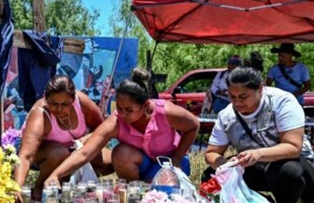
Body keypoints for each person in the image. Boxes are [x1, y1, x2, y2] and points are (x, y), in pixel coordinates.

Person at [203, 67, 314, 203]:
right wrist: (225, 163)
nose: (237, 102)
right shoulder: (226, 115)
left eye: (243, 97)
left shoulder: (282, 102)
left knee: (287, 171)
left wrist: (257, 154)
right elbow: (211, 153)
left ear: (260, 89)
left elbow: (293, 147)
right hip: (256, 165)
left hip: (296, 166)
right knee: (212, 174)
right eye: (232, 97)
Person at [45, 68, 199, 184]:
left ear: (145, 106)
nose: (123, 114)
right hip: (141, 165)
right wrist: (56, 175)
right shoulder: (116, 121)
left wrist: (178, 157)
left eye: (129, 110)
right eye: (119, 108)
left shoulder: (165, 112)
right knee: (120, 152)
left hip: (170, 163)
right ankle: (134, 192)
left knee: (163, 197)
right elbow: (86, 153)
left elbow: (193, 125)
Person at [14, 75, 110, 200]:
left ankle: (77, 184)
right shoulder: (40, 114)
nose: (59, 109)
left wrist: (86, 139)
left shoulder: (82, 102)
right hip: (44, 153)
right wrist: (17, 187)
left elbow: (102, 129)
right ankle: (40, 189)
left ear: (73, 100)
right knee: (59, 153)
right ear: (45, 98)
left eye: (65, 104)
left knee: (109, 161)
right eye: (53, 103)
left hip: (74, 149)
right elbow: (26, 155)